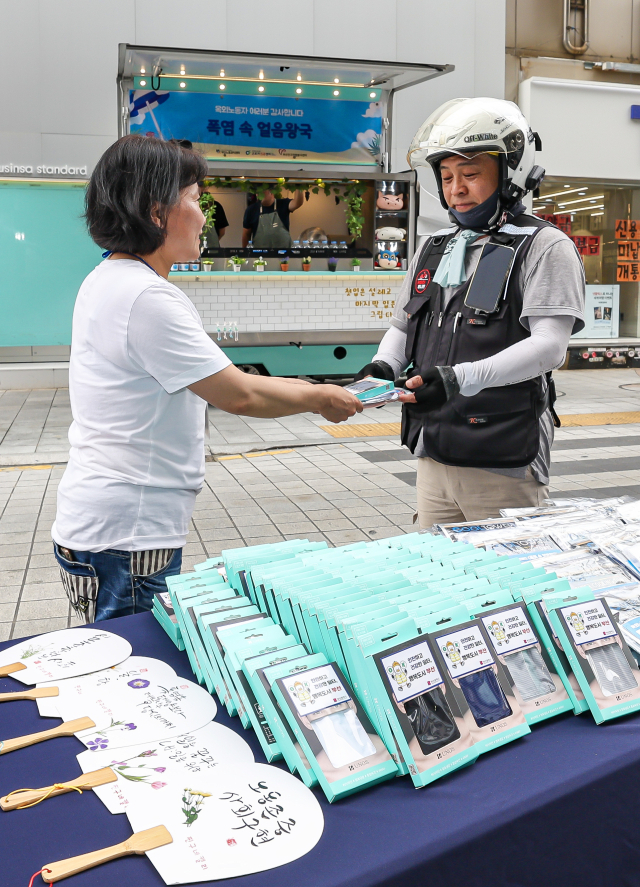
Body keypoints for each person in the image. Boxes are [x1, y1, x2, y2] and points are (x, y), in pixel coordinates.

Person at [52, 135, 361, 623]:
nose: (206, 215)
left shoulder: (108, 278)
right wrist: (319, 396)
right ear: (157, 212)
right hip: (131, 534)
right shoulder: (145, 296)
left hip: (103, 523)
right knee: (138, 667)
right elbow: (238, 393)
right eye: (197, 200)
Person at [356, 97, 585, 528]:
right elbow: (404, 325)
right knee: (435, 575)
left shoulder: (544, 247)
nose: (455, 189)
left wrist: (458, 379)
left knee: (506, 585)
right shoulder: (435, 247)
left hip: (503, 457)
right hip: (432, 450)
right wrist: (383, 366)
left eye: (471, 174)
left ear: (510, 171)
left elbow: (549, 347)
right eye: (446, 176)